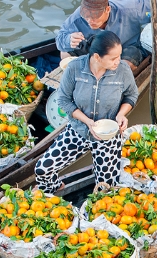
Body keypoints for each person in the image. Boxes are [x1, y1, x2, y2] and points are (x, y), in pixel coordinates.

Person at [35, 32, 138, 195]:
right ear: (97, 57)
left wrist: (121, 114)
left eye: (119, 56)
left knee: (106, 188)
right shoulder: (75, 68)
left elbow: (131, 95)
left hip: (108, 135)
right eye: (113, 58)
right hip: (78, 130)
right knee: (43, 169)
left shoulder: (123, 70)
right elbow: (63, 100)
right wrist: (88, 122)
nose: (118, 61)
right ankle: (55, 190)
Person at [56, 0, 157, 70]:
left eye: (95, 17)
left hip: (126, 48)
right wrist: (68, 40)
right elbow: (60, 38)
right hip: (97, 47)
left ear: (107, 10)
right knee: (65, 52)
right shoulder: (77, 17)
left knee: (125, 66)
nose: (90, 21)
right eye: (86, 16)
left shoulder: (130, 9)